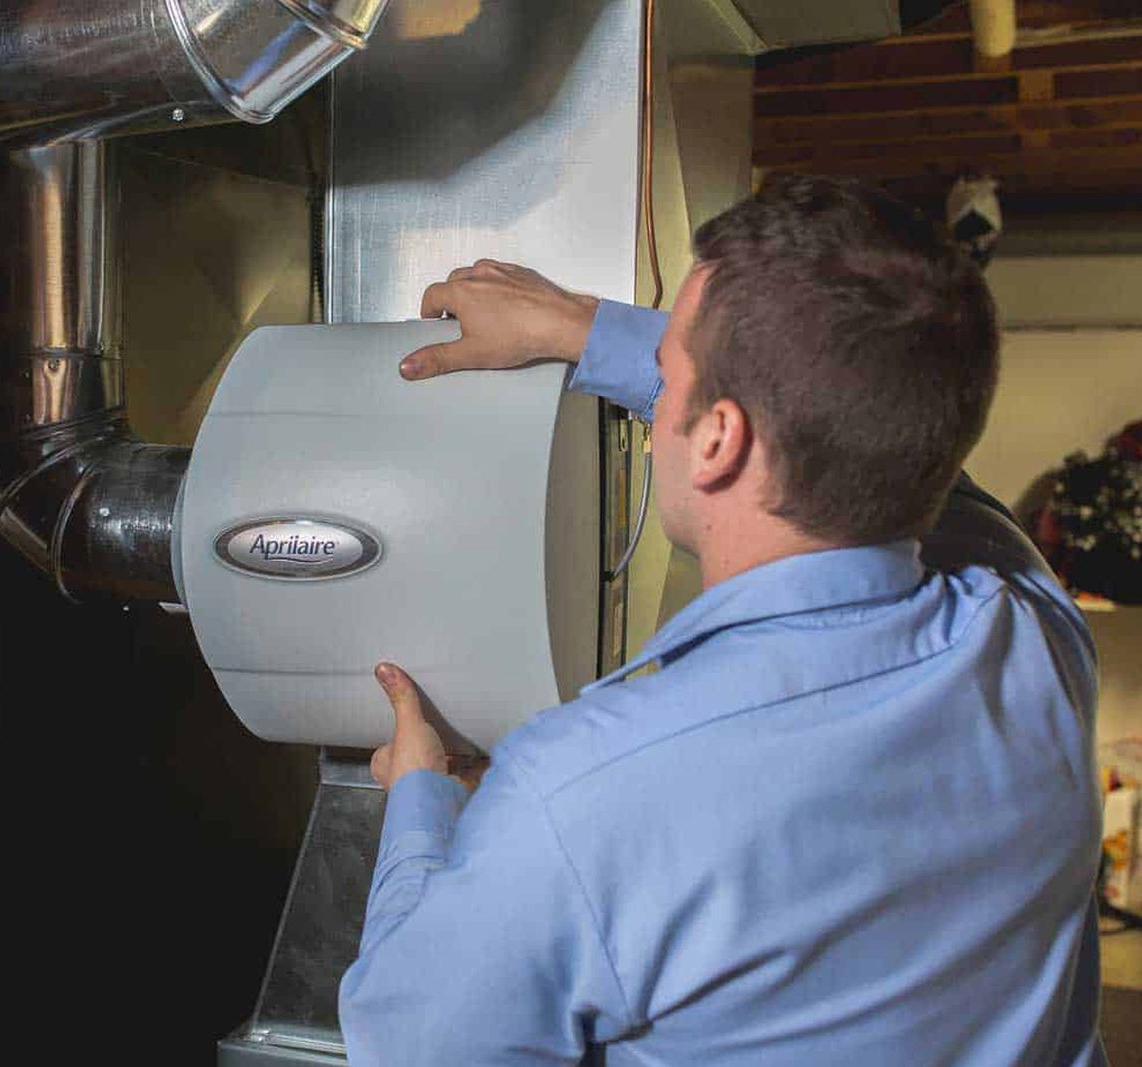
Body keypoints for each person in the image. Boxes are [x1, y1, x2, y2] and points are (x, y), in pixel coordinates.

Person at [337, 175, 1103, 1066]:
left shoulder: (582, 793)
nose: (657, 390)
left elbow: (409, 1046)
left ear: (719, 440)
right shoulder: (1039, 643)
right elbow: (910, 441)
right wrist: (580, 327)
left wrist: (422, 799)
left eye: (668, 369)